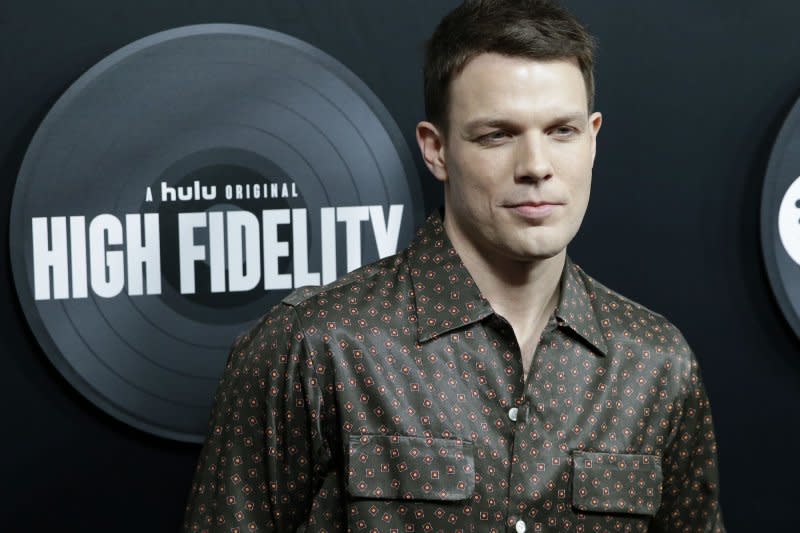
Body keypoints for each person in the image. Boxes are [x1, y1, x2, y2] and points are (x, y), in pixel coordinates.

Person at [182, 1, 725, 531]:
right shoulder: (316, 346)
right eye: (497, 135)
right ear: (436, 150)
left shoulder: (655, 363)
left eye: (562, 131)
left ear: (593, 140)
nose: (536, 166)